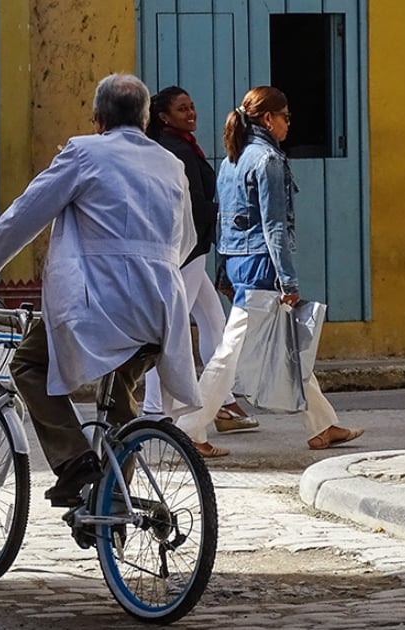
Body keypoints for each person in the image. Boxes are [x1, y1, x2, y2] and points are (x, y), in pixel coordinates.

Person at [0, 74, 202, 507]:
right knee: (121, 389)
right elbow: (185, 241)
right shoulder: (171, 164)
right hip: (161, 304)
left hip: (100, 302)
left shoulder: (84, 152)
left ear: (98, 119)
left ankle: (73, 461)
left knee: (30, 365)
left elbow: (26, 212)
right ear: (145, 119)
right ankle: (115, 500)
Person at [180, 86, 364, 450]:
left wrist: (222, 270)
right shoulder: (268, 161)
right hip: (263, 268)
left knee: (290, 346)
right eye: (286, 117)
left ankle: (322, 425)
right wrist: (288, 280)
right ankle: (189, 428)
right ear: (268, 118)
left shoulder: (233, 160)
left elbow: (224, 222)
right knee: (229, 354)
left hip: (240, 264)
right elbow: (273, 226)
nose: (288, 124)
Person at [141, 86, 259, 458]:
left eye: (192, 106)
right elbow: (189, 202)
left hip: (194, 247)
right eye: (182, 108)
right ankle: (155, 409)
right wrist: (221, 215)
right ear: (163, 116)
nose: (191, 113)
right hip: (187, 250)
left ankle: (221, 401)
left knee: (212, 320)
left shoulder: (179, 145)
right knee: (170, 328)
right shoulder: (176, 150)